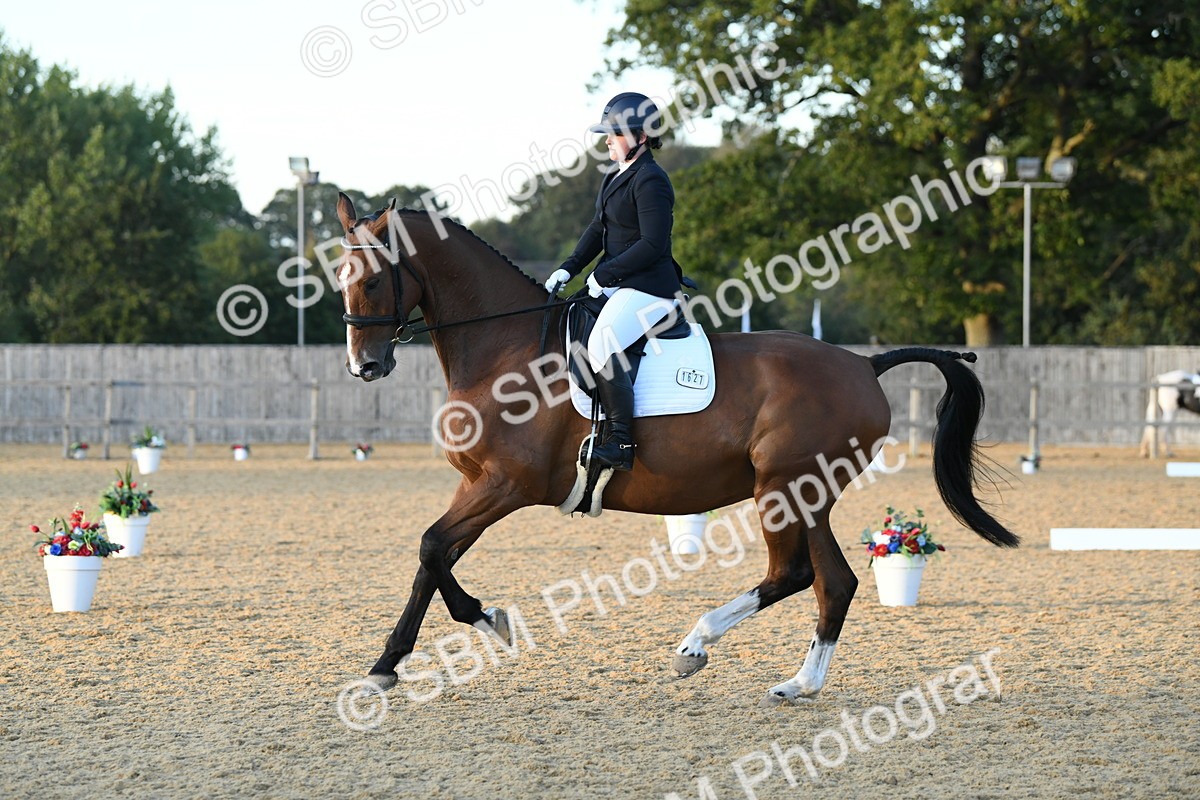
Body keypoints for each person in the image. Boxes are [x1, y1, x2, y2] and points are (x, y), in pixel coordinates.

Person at [544, 92, 682, 472]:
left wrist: (603, 275)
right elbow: (597, 230)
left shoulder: (651, 179)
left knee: (604, 339)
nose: (606, 139)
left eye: (614, 133)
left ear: (640, 135)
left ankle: (620, 442)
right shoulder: (614, 176)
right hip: (624, 284)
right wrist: (568, 269)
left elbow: (653, 244)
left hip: (651, 289)